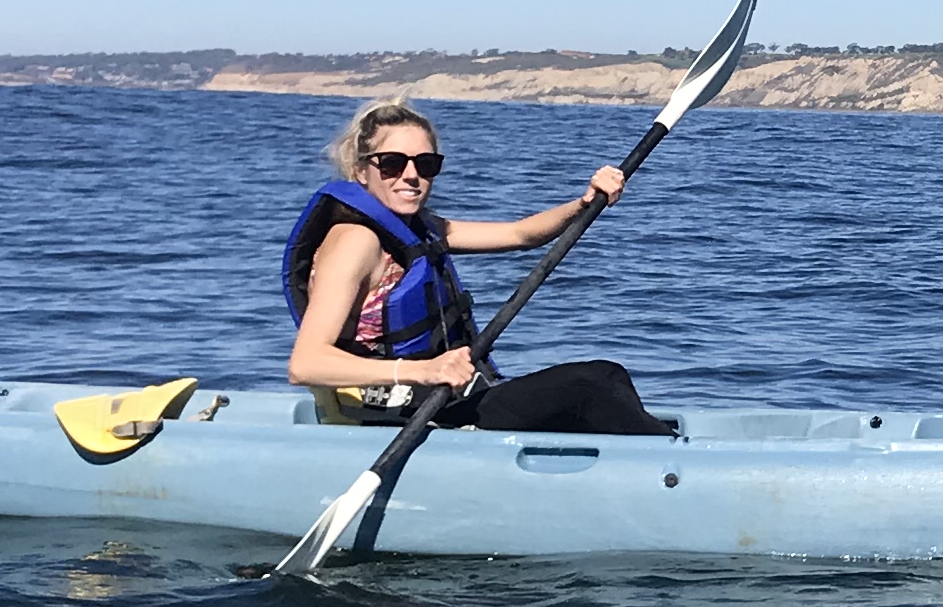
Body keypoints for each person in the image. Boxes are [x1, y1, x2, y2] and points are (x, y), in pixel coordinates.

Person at [283, 102, 676, 435]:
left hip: (444, 402)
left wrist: (585, 202)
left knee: (608, 378)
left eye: (425, 163)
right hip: (395, 418)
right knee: (592, 384)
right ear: (360, 171)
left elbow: (521, 234)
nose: (410, 175)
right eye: (391, 163)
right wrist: (424, 371)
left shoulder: (419, 229)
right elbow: (306, 364)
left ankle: (655, 456)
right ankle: (668, 469)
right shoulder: (356, 241)